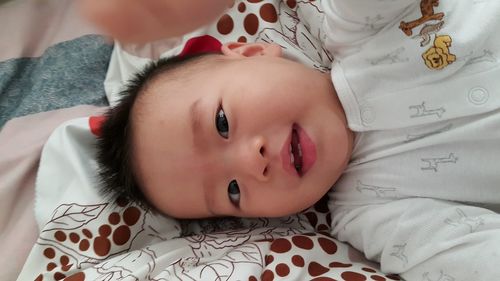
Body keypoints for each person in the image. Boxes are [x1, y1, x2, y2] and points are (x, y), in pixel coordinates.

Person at [84, 0, 500, 279]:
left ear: (251, 53)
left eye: (222, 123)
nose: (253, 162)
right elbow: (466, 254)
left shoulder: (359, 26)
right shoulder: (369, 214)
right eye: (232, 191)